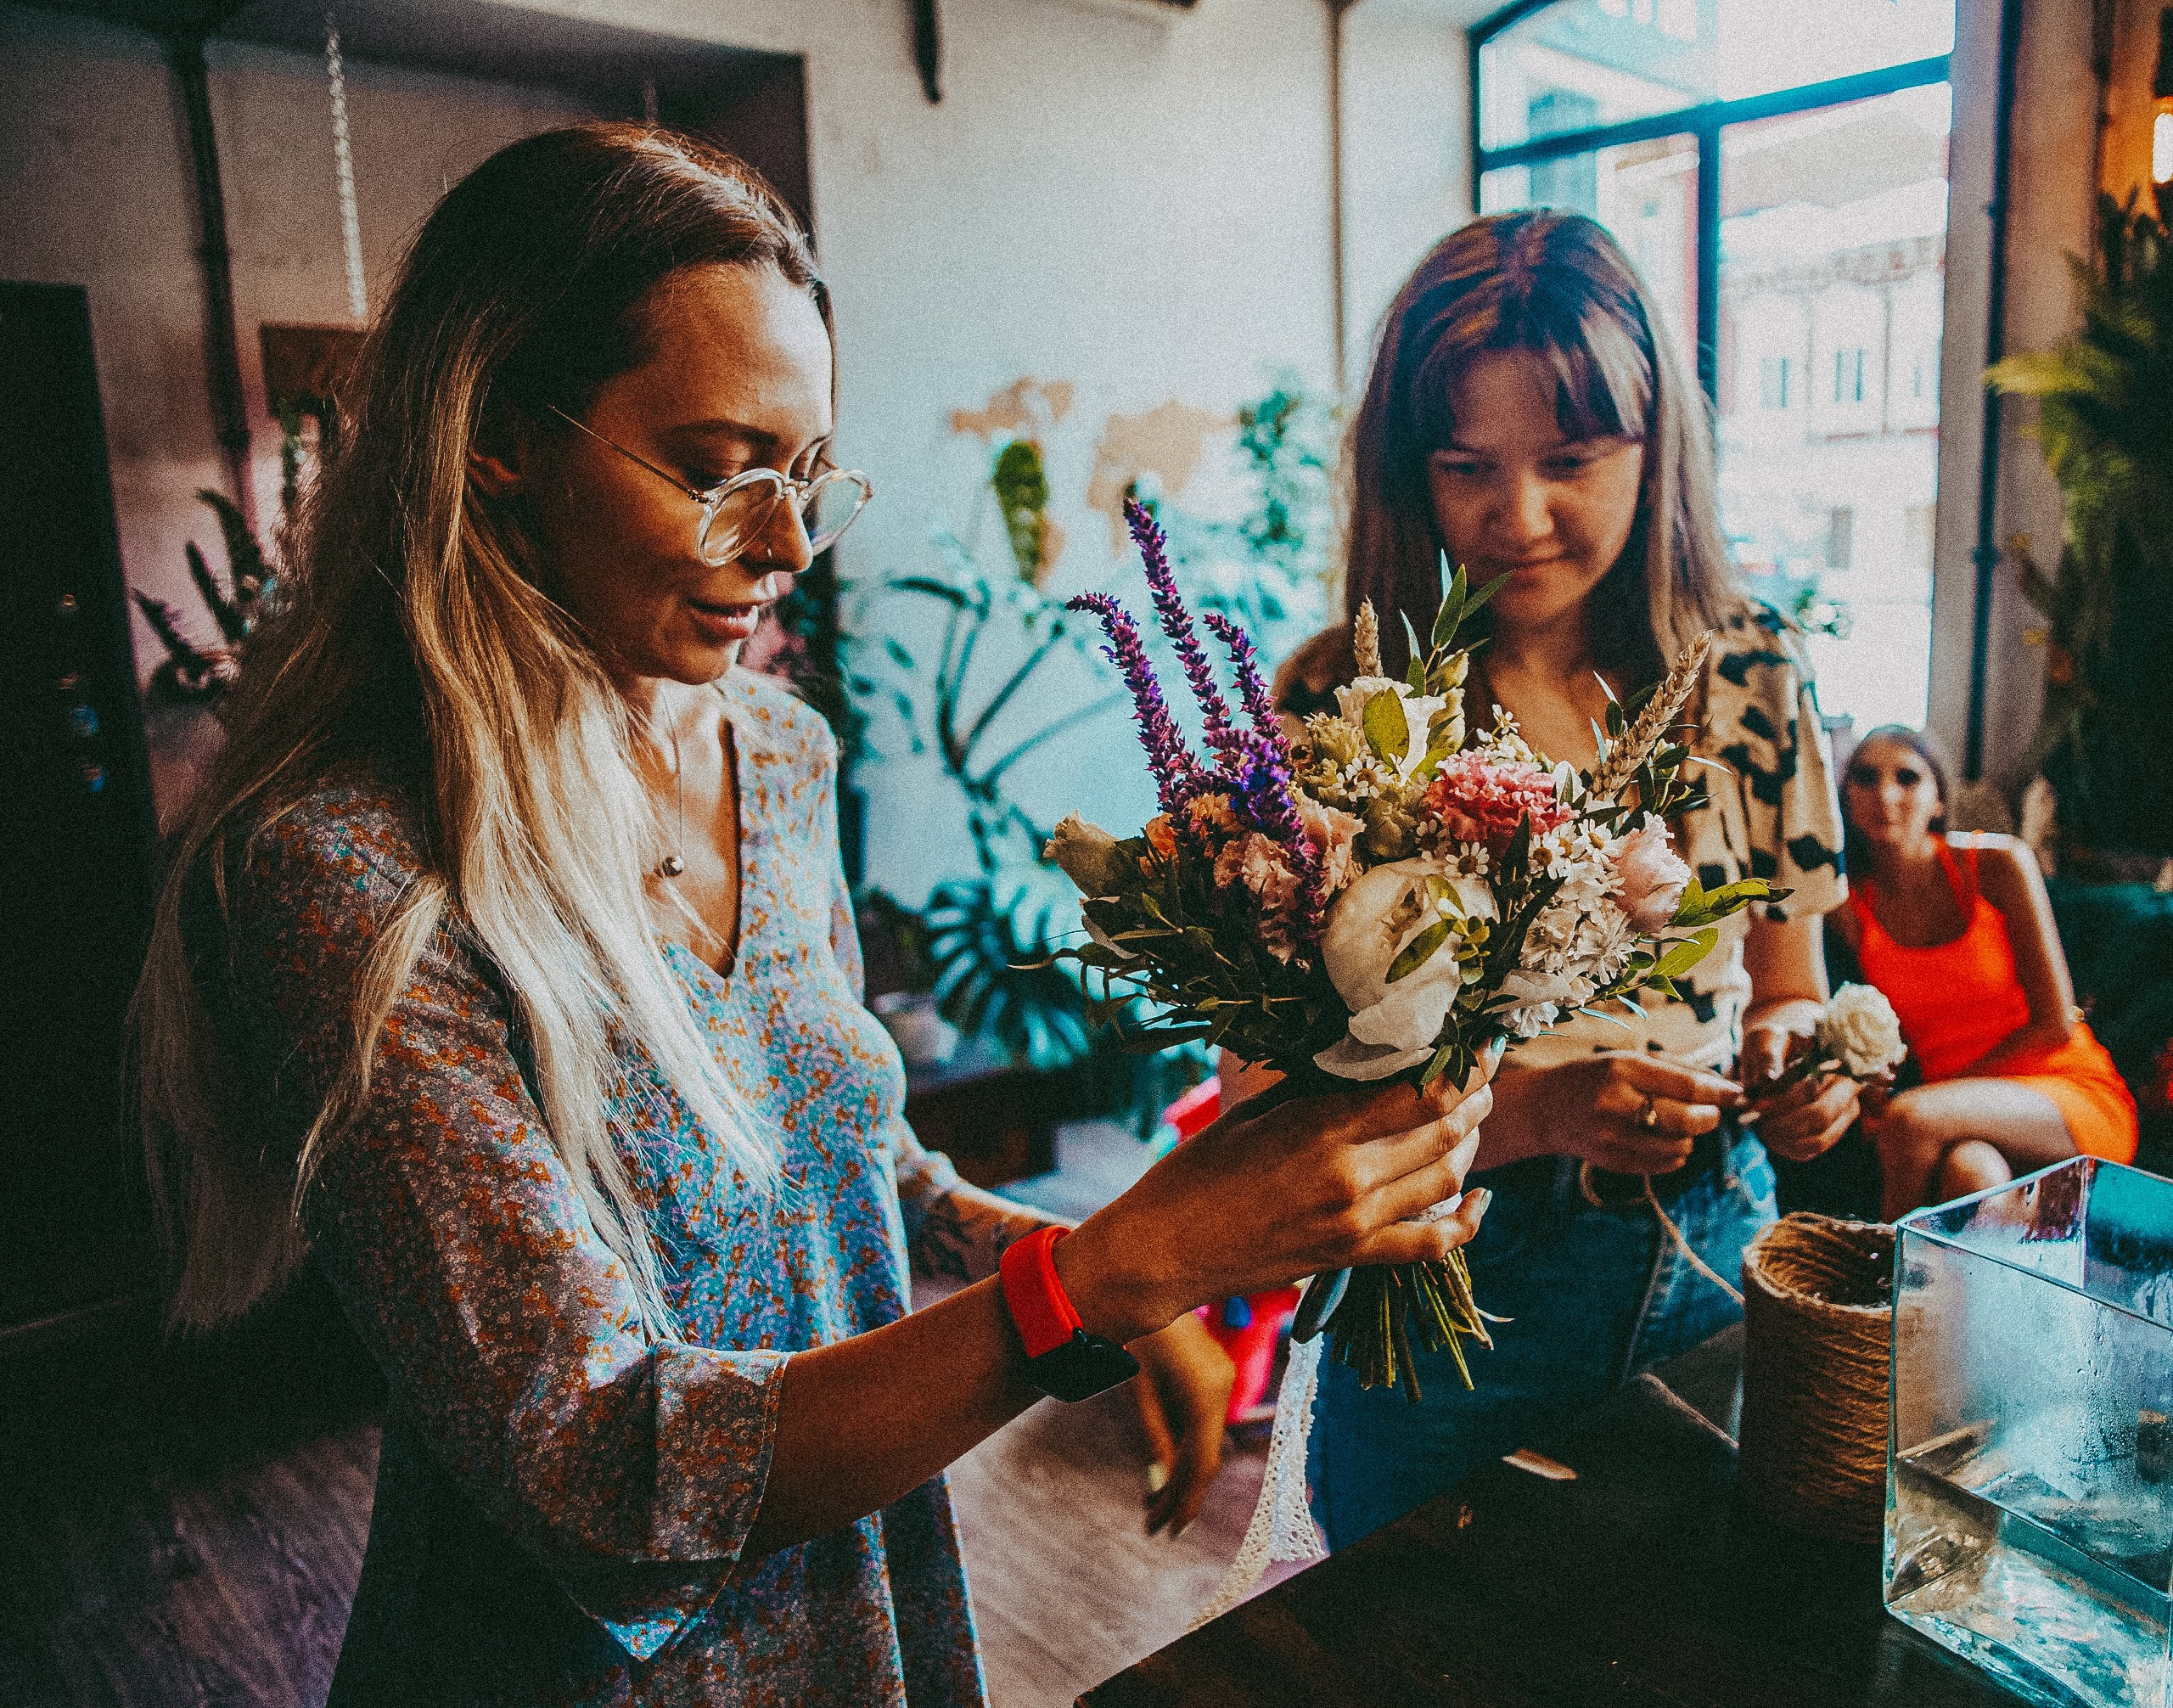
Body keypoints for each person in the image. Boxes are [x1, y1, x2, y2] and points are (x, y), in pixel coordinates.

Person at [129, 125, 1496, 1706]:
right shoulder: (351, 870)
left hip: (856, 1595)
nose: (783, 547)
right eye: (718, 470)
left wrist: (1116, 1274)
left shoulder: (776, 757)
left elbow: (849, 1167)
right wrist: (1095, 1284)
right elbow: (604, 1463)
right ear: (501, 433)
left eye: (804, 475)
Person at [1229, 209, 1861, 1550]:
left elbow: (1789, 988)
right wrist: (1542, 1109)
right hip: (1455, 1288)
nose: (1518, 519)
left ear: (1657, 445)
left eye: (1573, 459)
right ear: (1409, 471)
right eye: (1466, 467)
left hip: (1715, 1249)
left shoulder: (1751, 676)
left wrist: (1802, 1067)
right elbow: (1270, 1112)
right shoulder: (1344, 719)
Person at [1834, 726, 2137, 1216]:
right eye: (1866, 778)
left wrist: (1939, 1096)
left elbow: (2056, 1024)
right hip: (1959, 1115)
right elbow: (1870, 1027)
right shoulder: (1848, 905)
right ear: (1846, 796)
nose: (1885, 795)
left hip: (2062, 1088)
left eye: (1907, 777)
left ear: (1938, 799)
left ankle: (1875, 1275)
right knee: (1972, 1173)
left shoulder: (1997, 864)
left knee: (1910, 1120)